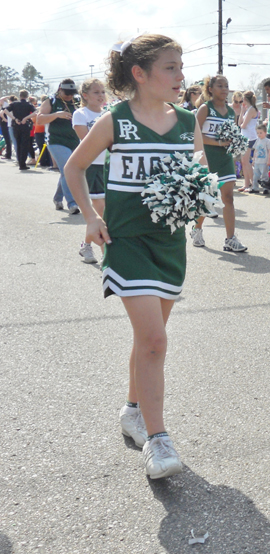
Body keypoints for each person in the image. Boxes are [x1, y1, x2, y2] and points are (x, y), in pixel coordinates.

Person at [64, 34, 203, 479]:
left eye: (181, 66)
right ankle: (159, 443)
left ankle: (132, 410)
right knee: (156, 342)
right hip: (127, 244)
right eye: (171, 67)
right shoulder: (115, 120)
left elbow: (194, 176)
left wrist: (200, 199)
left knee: (150, 338)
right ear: (140, 74)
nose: (181, 76)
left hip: (169, 244)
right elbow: (74, 167)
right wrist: (89, 216)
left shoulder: (186, 122)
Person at [190, 75, 247, 253]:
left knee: (228, 197)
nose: (224, 89)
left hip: (225, 159)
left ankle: (230, 239)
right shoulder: (205, 109)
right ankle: (197, 229)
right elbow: (195, 135)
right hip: (207, 158)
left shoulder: (231, 112)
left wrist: (236, 144)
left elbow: (233, 135)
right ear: (210, 89)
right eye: (220, 86)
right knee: (207, 197)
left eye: (226, 85)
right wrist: (218, 143)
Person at [72, 78, 108, 264]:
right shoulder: (80, 114)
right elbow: (86, 140)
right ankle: (107, 256)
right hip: (91, 166)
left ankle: (86, 244)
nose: (101, 96)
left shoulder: (108, 113)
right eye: (96, 92)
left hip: (109, 166)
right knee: (102, 211)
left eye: (102, 92)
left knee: (106, 213)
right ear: (85, 95)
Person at [38, 80, 82, 212]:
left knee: (65, 172)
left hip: (74, 141)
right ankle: (72, 203)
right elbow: (39, 119)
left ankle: (57, 198)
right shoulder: (50, 100)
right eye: (66, 93)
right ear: (59, 89)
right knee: (68, 171)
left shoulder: (77, 101)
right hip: (56, 141)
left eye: (71, 93)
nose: (69, 96)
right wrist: (56, 115)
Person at [6, 90, 36, 171]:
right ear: (26, 96)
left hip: (16, 125)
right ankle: (23, 163)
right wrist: (26, 118)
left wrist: (14, 118)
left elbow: (4, 110)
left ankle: (20, 162)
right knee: (24, 144)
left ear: (20, 96)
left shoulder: (14, 104)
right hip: (25, 125)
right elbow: (36, 112)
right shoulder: (28, 104)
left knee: (18, 144)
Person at [237, 90, 259, 192]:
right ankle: (246, 184)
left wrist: (241, 125)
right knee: (243, 161)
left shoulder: (252, 110)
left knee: (246, 161)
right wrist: (242, 111)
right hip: (244, 137)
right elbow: (239, 123)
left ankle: (253, 183)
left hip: (249, 137)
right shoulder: (247, 110)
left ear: (245, 99)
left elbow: (243, 125)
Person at [250, 123, 270, 194]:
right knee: (256, 176)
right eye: (257, 133)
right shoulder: (257, 140)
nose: (259, 134)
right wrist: (253, 160)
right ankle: (255, 188)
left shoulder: (267, 141)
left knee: (264, 175)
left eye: (261, 133)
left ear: (265, 133)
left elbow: (269, 151)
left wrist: (269, 160)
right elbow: (255, 151)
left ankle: (266, 188)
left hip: (264, 162)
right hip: (257, 162)